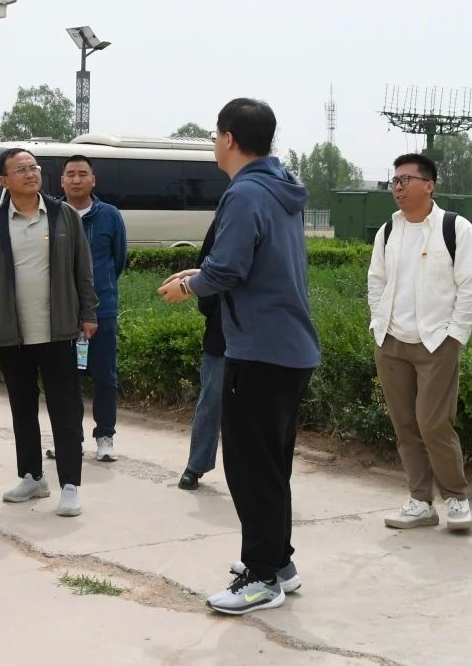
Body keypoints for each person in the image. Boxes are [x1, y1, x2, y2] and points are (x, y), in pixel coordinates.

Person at [157, 98, 320, 616]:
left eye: (215, 135)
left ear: (228, 138)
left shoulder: (246, 192)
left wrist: (189, 286)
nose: (214, 143)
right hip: (288, 347)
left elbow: (228, 269)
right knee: (270, 465)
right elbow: (251, 263)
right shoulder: (279, 187)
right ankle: (279, 562)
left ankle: (262, 577)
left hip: (259, 350)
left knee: (250, 468)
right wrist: (197, 275)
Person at [0, 148, 97, 516]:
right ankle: (32, 476)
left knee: (65, 411)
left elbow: (82, 269)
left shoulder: (63, 215)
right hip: (15, 335)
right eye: (20, 169)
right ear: (4, 180)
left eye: (33, 167)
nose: (30, 173)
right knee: (22, 410)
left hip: (59, 333)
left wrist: (89, 312)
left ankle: (70, 485)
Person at [367, 153, 472, 531]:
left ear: (429, 185)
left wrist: (455, 335)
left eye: (406, 180)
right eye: (395, 181)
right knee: (405, 426)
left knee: (434, 424)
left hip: (436, 342)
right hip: (391, 342)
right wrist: (379, 324)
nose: (398, 187)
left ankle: (456, 498)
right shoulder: (388, 230)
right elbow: (376, 281)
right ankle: (420, 501)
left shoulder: (456, 229)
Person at [60, 155, 127, 462]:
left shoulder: (110, 216)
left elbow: (118, 261)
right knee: (64, 378)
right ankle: (69, 438)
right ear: (62, 181)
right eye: (71, 174)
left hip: (102, 309)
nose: (76, 179)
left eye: (82, 174)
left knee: (104, 375)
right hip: (62, 311)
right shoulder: (54, 215)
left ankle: (105, 436)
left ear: (93, 180)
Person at [179, 221, 225, 491]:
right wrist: (211, 308)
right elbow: (205, 266)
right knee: (211, 400)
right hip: (222, 330)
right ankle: (196, 465)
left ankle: (251, 473)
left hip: (259, 335)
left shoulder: (273, 219)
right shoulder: (225, 219)